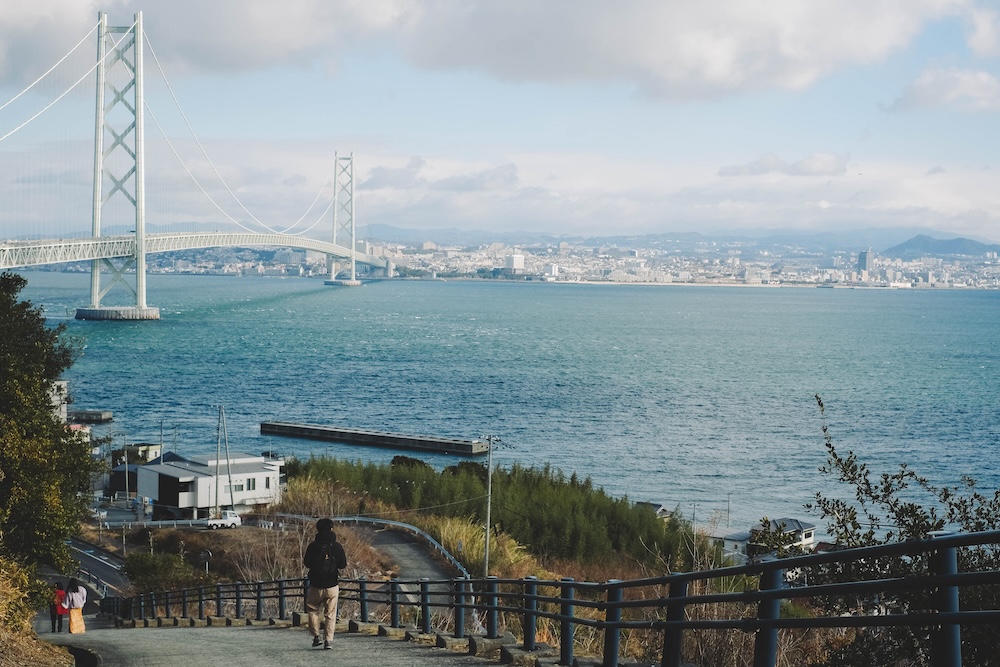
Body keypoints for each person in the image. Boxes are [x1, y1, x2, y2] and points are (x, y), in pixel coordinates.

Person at [303, 518, 347, 650]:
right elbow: (343, 565)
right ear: (331, 529)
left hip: (316, 584)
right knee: (331, 613)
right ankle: (328, 640)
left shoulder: (313, 546)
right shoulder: (337, 546)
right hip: (332, 585)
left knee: (312, 609)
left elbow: (307, 563)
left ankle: (316, 636)